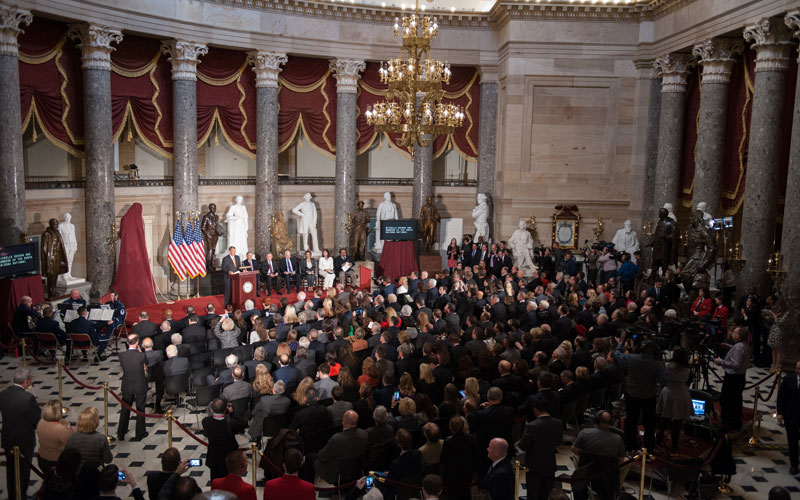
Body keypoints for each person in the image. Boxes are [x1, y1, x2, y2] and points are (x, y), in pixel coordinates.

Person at [615, 335, 667, 452]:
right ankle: (649, 446)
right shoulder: (656, 364)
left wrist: (620, 344)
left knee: (631, 420)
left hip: (632, 393)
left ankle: (630, 445)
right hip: (649, 395)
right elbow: (664, 382)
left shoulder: (631, 358)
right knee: (649, 422)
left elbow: (617, 356)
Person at [0, 367, 41, 500]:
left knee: (11, 469)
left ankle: (13, 495)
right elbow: (37, 419)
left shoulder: (3, 394)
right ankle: (21, 495)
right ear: (26, 381)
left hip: (8, 437)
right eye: (30, 379)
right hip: (24, 441)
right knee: (23, 471)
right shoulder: (28, 398)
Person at [571, 410, 626, 500]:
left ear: (596, 420)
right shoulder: (618, 438)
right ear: (610, 422)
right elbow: (621, 460)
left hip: (587, 470)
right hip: (608, 473)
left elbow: (574, 449)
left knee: (575, 457)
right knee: (627, 463)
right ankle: (618, 486)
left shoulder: (585, 432)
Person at [519, 397, 562, 500]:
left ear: (535, 410)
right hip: (550, 463)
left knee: (533, 494)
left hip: (534, 466)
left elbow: (523, 446)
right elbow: (558, 442)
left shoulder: (531, 426)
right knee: (545, 494)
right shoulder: (558, 423)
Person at [314, 410, 369, 485]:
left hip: (339, 473)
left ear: (343, 421)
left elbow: (323, 457)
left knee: (314, 460)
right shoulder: (364, 434)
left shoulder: (336, 439)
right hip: (358, 470)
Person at [714, 326, 751, 431]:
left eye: (734, 332)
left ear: (739, 336)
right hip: (740, 377)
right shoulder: (744, 345)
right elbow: (738, 351)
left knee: (727, 400)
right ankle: (735, 421)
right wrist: (729, 346)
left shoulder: (739, 347)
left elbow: (735, 364)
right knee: (736, 400)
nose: (732, 333)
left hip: (733, 378)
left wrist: (720, 362)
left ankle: (727, 424)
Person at [656, 347, 692, 453]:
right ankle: (674, 445)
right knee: (678, 421)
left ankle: (658, 440)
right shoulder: (688, 369)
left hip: (668, 391)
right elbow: (689, 382)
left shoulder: (666, 365)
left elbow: (661, 378)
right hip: (681, 393)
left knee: (664, 418)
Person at [203, 398, 247, 480]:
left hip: (214, 457)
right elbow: (243, 424)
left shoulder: (205, 421)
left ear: (212, 410)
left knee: (215, 482)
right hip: (230, 457)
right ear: (225, 409)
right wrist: (232, 413)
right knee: (231, 481)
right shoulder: (231, 423)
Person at [118, 334, 149, 442]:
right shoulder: (141, 355)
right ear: (137, 343)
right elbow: (146, 365)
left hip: (127, 384)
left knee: (125, 409)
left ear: (127, 342)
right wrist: (140, 351)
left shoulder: (121, 355)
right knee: (140, 409)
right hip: (140, 384)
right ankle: (140, 433)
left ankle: (121, 433)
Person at [36, 400, 74, 473]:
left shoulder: (41, 422)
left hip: (42, 458)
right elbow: (71, 444)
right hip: (56, 461)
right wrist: (68, 429)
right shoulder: (61, 430)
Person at [776, 360, 800, 475]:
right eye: (797, 369)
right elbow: (781, 396)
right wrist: (780, 413)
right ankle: (794, 465)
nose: (798, 371)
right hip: (791, 416)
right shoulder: (789, 379)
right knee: (793, 442)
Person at [40, 217, 69, 297]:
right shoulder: (46, 234)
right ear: (50, 224)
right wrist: (48, 258)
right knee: (51, 275)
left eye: (56, 224)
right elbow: (44, 248)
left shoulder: (57, 232)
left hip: (57, 256)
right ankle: (50, 291)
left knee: (55, 275)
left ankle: (54, 289)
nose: (56, 225)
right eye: (54, 224)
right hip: (51, 258)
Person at [767, 300, 788, 373]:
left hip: (779, 331)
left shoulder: (787, 313)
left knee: (778, 349)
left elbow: (780, 322)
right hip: (774, 330)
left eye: (779, 306)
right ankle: (774, 364)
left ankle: (777, 366)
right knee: (773, 348)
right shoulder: (779, 312)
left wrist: (773, 315)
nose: (778, 307)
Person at [200, 203, 221, 269]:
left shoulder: (216, 216)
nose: (214, 209)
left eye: (215, 208)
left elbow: (216, 225)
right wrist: (208, 234)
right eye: (212, 208)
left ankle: (212, 263)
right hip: (209, 235)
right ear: (209, 208)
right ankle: (208, 264)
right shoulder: (206, 216)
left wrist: (218, 231)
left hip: (215, 235)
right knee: (209, 249)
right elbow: (203, 227)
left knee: (214, 249)